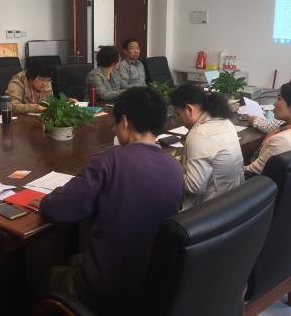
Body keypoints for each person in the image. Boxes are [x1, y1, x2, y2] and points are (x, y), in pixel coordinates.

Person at [38, 87, 184, 315]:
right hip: (151, 288)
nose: (114, 129)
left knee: (46, 273)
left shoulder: (111, 159)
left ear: (125, 122)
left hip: (105, 290)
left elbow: (57, 209)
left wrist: (45, 200)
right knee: (76, 258)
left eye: (115, 123)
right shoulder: (175, 168)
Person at [171, 84, 244, 209]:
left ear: (189, 109)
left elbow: (194, 187)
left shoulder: (199, 134)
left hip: (213, 210)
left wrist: (170, 173)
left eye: (178, 114)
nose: (179, 120)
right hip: (234, 202)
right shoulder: (225, 122)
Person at [5, 60, 77, 113]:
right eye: (41, 79)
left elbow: (50, 101)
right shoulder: (17, 82)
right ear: (31, 76)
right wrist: (35, 108)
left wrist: (66, 100)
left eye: (48, 80)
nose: (45, 84)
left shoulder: (47, 81)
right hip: (21, 122)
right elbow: (12, 106)